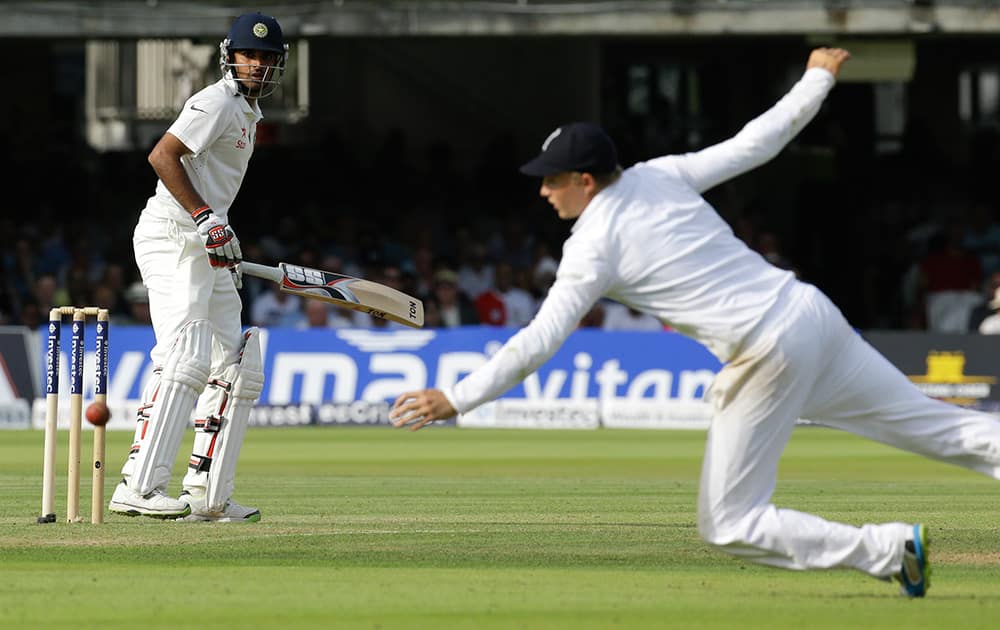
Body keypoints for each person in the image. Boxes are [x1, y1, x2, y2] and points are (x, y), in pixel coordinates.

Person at [390, 48, 1000, 598]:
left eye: (551, 181)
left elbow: (541, 339)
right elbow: (757, 143)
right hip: (810, 314)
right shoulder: (660, 174)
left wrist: (457, 396)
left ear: (583, 180)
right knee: (941, 429)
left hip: (768, 348)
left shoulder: (592, 243)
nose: (544, 193)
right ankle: (893, 550)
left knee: (731, 522)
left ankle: (889, 548)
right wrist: (816, 78)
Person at [108, 12, 289, 522]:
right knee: (184, 351)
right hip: (173, 236)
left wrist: (218, 232)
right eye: (250, 55)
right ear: (230, 56)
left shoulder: (249, 114)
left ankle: (208, 496)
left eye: (267, 57)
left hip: (210, 243)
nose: (258, 64)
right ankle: (139, 487)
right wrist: (206, 218)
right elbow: (162, 156)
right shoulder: (215, 102)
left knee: (234, 364)